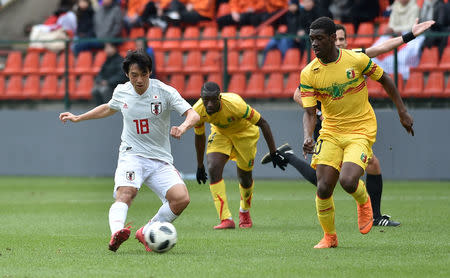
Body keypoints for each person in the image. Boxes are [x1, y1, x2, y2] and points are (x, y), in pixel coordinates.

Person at [262, 18, 434, 227]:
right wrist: (317, 114)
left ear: (338, 39)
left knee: (362, 169)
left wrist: (410, 35)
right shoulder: (312, 70)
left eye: (343, 39)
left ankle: (374, 214)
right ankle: (290, 157)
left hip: (356, 125)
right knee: (324, 181)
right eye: (339, 39)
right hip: (326, 124)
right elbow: (298, 94)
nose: (341, 43)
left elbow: (380, 49)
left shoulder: (354, 57)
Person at [59, 50, 200, 252]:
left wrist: (183, 127)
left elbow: (193, 114)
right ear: (127, 74)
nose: (139, 79)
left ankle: (147, 230)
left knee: (181, 199)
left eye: (144, 74)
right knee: (127, 192)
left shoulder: (165, 92)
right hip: (132, 154)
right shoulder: (122, 91)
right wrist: (79, 117)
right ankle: (116, 232)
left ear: (150, 72)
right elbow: (108, 108)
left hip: (160, 159)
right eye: (134, 75)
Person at [300, 17, 413, 248]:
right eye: (311, 39)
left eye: (319, 39)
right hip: (331, 131)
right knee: (323, 187)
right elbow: (310, 112)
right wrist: (308, 136)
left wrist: (402, 112)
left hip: (360, 129)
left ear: (333, 39)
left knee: (349, 181)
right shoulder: (309, 73)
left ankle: (364, 203)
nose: (314, 44)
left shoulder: (356, 60)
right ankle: (329, 237)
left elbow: (387, 80)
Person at [193, 82, 287, 229]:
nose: (209, 104)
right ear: (201, 98)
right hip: (221, 133)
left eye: (213, 100)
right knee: (213, 168)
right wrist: (200, 165)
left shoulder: (235, 105)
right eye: (206, 100)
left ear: (220, 98)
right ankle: (226, 219)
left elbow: (263, 123)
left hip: (245, 134)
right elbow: (199, 136)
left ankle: (244, 210)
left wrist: (273, 152)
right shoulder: (197, 111)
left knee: (245, 178)